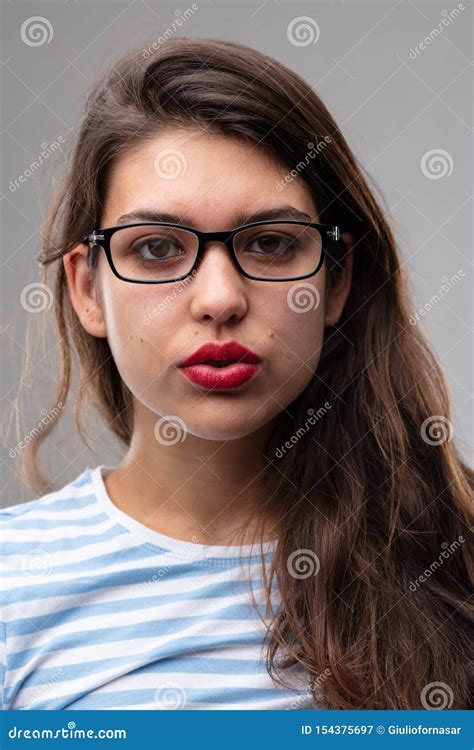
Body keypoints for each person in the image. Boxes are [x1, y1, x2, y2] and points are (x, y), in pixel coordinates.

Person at [1, 37, 472, 711]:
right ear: (86, 289)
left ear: (336, 280)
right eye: (158, 248)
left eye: (271, 244)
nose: (219, 298)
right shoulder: (12, 584)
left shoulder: (455, 561)